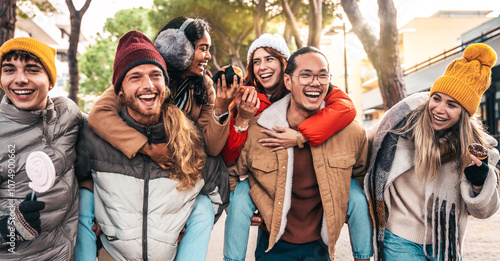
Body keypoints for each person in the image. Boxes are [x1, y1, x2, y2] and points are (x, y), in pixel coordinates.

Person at [86, 17, 234, 260]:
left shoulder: (204, 86)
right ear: (180, 48)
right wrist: (147, 147)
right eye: (202, 49)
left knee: (203, 206)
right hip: (140, 166)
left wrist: (220, 108)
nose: (208, 56)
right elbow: (99, 115)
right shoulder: (142, 69)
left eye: (210, 49)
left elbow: (212, 148)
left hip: (176, 177)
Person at [223, 34, 373, 261]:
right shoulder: (254, 114)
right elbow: (231, 167)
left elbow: (359, 175)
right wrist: (242, 120)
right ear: (288, 80)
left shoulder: (348, 127)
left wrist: (301, 137)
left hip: (318, 245)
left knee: (355, 193)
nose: (314, 82)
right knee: (243, 194)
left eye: (322, 76)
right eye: (256, 61)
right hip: (273, 244)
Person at [365, 43, 499, 261]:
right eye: (436, 98)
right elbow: (361, 142)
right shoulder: (401, 126)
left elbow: (484, 212)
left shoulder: (476, 149)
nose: (439, 109)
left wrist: (479, 181)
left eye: (452, 105)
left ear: (464, 112)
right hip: (399, 238)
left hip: (446, 245)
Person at [0, 37, 82, 259]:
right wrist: (7, 227)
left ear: (51, 81)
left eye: (32, 70)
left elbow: (107, 120)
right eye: (9, 70)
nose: (20, 79)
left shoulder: (68, 113)